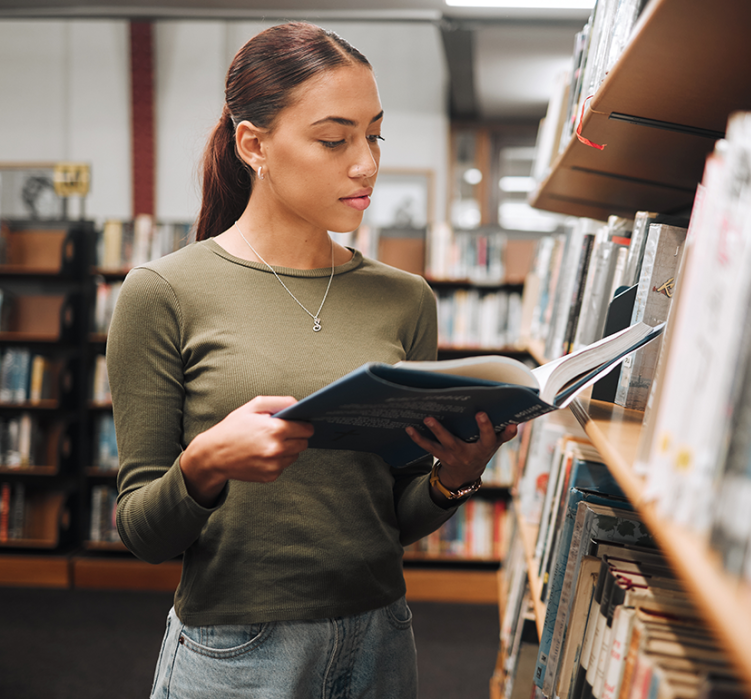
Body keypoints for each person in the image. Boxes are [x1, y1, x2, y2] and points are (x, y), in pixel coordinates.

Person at [106, 22, 517, 699]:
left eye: (374, 135)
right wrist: (205, 465)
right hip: (239, 650)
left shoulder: (405, 299)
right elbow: (143, 530)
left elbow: (394, 514)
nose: (366, 164)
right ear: (253, 144)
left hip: (383, 637)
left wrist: (454, 479)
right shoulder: (164, 293)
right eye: (334, 139)